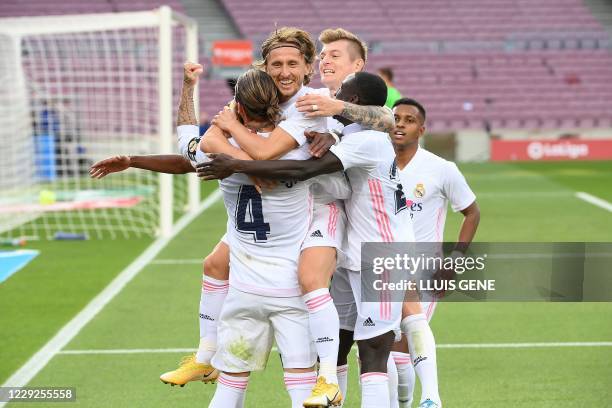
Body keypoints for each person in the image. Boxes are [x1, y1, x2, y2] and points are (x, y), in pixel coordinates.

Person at [198, 72, 439, 408]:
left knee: (373, 350)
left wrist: (236, 163)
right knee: (344, 342)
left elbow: (301, 172)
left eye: (341, 93)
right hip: (356, 253)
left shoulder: (365, 140)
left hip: (382, 253)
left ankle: (430, 397)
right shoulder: (349, 133)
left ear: (352, 101)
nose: (333, 95)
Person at [390, 98, 480, 408]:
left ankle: (429, 399)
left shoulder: (441, 169)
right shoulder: (373, 163)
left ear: (421, 129)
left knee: (402, 343)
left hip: (423, 268)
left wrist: (454, 261)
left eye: (409, 120)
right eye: (395, 117)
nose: (400, 123)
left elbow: (472, 212)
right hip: (378, 264)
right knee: (382, 348)